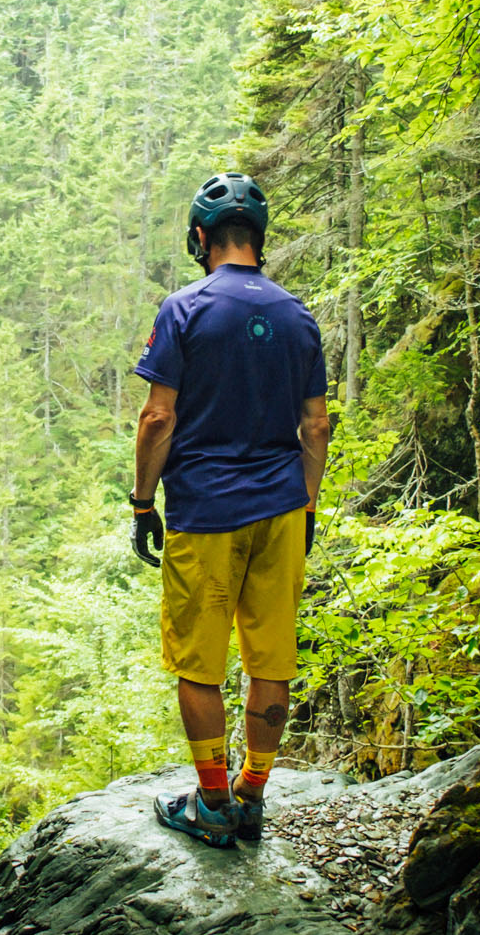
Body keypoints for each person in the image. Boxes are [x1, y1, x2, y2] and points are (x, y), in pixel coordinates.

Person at [129, 171, 330, 848]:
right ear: (259, 240)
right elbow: (317, 427)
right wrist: (305, 503)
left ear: (200, 238)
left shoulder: (183, 310)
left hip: (206, 511)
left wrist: (140, 502)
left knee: (201, 662)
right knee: (270, 655)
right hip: (281, 508)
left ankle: (212, 802)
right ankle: (252, 790)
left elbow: (158, 416)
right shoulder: (298, 317)